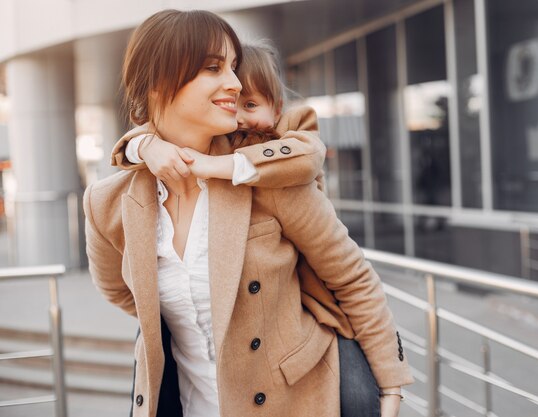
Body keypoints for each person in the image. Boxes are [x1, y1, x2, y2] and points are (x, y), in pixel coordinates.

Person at [84, 9, 413, 417]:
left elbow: (352, 278)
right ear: (158, 83)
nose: (235, 84)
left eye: (234, 67)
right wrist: (142, 145)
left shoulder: (263, 173)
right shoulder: (107, 203)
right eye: (213, 68)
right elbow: (121, 292)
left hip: (299, 402)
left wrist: (391, 385)